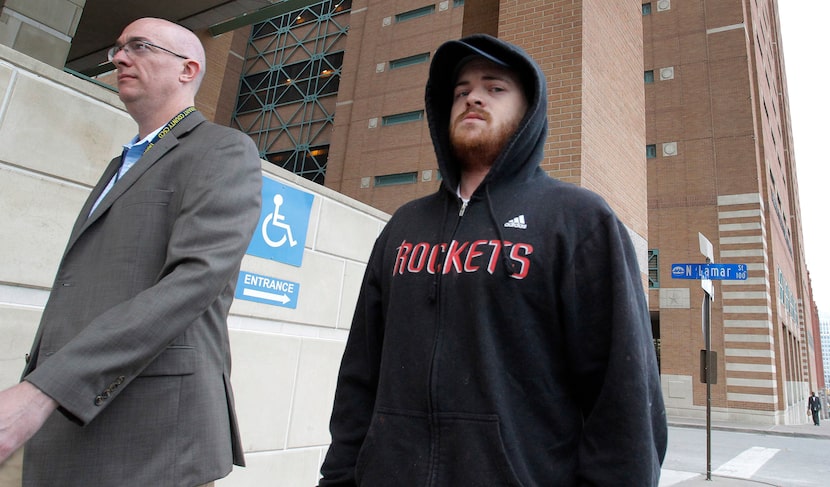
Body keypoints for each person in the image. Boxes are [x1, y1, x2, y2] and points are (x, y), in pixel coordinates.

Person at [319, 34, 667, 486]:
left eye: (494, 88)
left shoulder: (577, 220)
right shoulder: (404, 227)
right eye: (461, 91)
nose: (473, 97)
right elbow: (359, 377)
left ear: (529, 111)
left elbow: (623, 396)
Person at [0, 18, 262, 487]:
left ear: (188, 70)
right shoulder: (120, 163)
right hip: (64, 429)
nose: (120, 57)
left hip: (150, 438)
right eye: (117, 48)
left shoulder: (223, 149)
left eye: (139, 46)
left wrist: (44, 391)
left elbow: (194, 282)